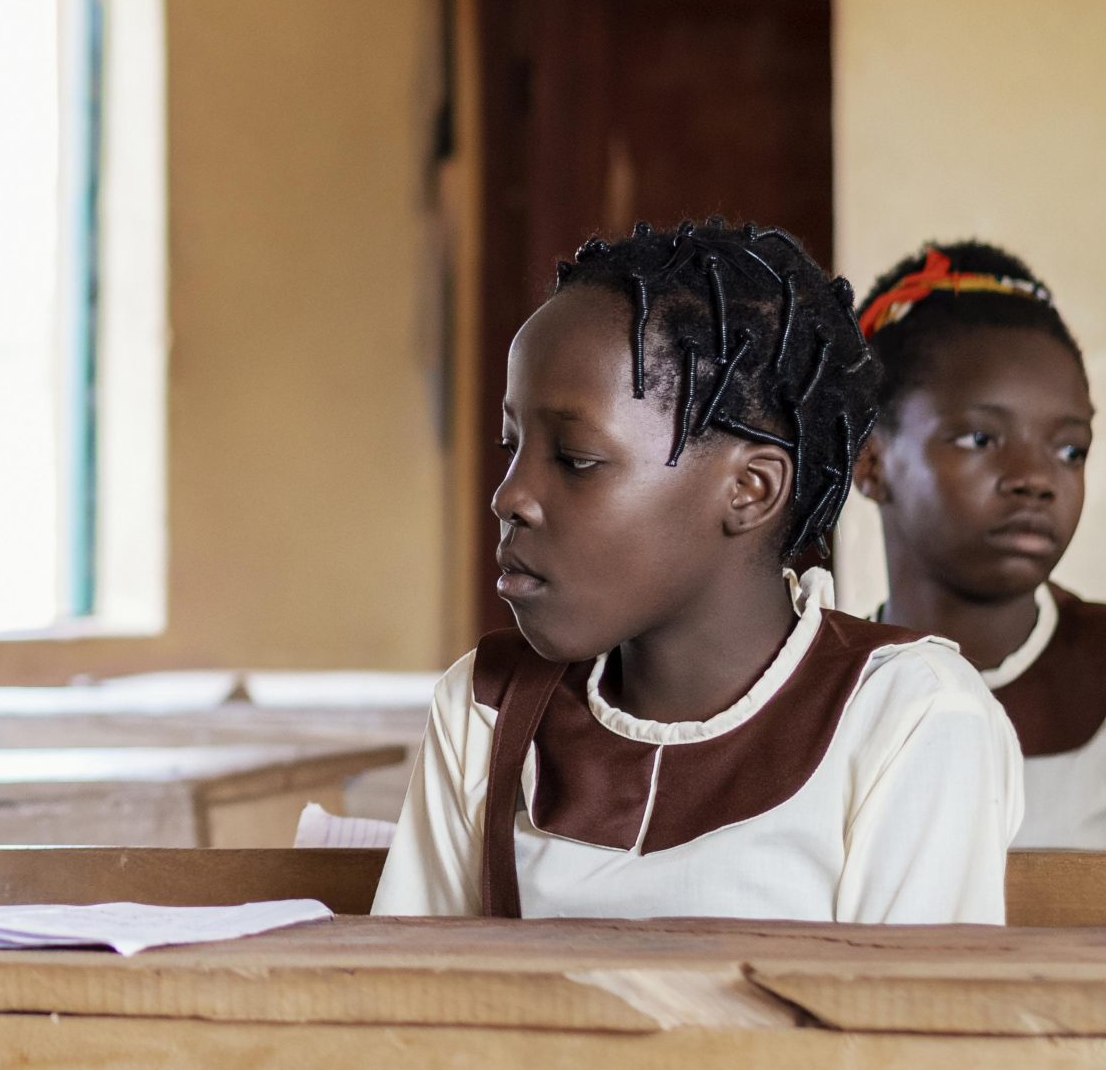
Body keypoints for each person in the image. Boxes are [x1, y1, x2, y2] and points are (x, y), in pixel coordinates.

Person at [374, 220, 1020, 921]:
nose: (509, 496)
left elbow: (901, 1023)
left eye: (576, 458)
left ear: (749, 490)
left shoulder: (908, 717)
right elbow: (402, 1007)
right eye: (511, 445)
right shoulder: (486, 707)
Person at [855, 242, 1103, 847]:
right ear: (871, 462)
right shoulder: (818, 693)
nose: (1035, 478)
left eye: (1069, 449)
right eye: (980, 438)